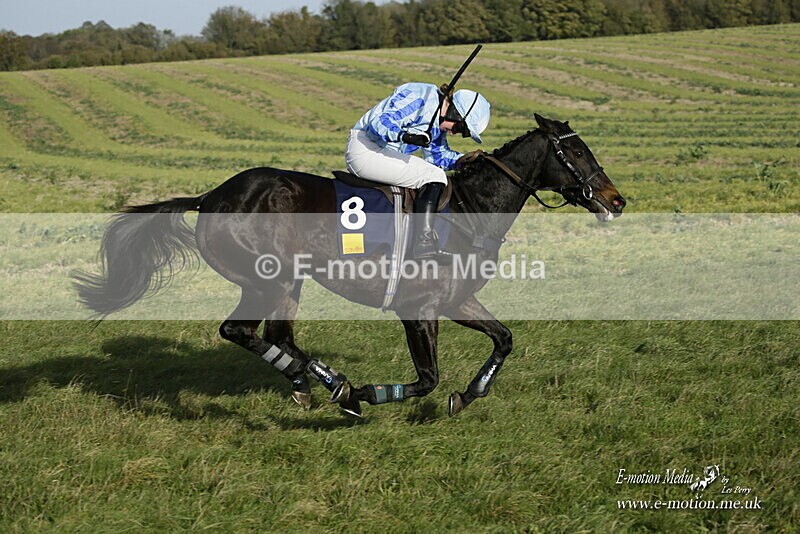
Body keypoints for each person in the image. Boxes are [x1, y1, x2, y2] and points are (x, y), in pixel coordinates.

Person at [346, 82, 490, 259]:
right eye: (461, 129)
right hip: (366, 148)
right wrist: (407, 136)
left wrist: (462, 161)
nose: (456, 133)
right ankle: (424, 242)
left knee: (434, 172)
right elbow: (380, 123)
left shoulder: (437, 124)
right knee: (434, 176)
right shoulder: (420, 96)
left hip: (383, 153)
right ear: (455, 113)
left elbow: (437, 156)